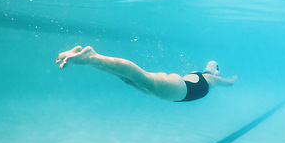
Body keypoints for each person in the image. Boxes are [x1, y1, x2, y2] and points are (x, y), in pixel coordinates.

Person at [56, 46, 237, 102]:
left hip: (178, 84)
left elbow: (149, 92)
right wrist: (230, 81)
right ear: (214, 72)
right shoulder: (211, 79)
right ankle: (92, 58)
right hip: (180, 90)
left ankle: (90, 60)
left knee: (134, 80)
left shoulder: (200, 75)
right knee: (142, 78)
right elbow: (227, 83)